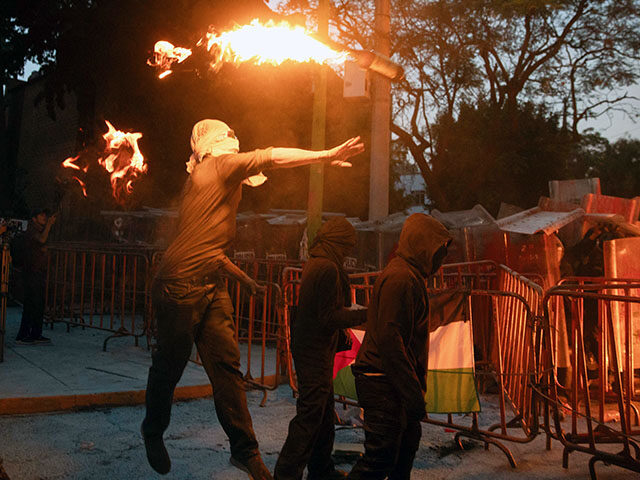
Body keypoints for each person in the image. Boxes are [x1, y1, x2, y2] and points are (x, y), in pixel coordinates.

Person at [141, 119, 364, 478]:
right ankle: (152, 431)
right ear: (220, 149)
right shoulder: (216, 167)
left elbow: (209, 250)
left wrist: (244, 279)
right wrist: (325, 155)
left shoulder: (212, 185)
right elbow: (270, 157)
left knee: (228, 370)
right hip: (178, 287)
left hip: (212, 286)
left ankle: (244, 451)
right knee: (169, 367)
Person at [347, 213, 451, 480]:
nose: (440, 259)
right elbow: (390, 341)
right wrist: (411, 392)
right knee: (379, 461)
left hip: (390, 381)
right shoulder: (401, 278)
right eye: (437, 250)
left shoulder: (408, 275)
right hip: (382, 381)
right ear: (422, 245)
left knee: (402, 454)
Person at [275, 217, 367, 480]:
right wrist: (362, 315)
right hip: (314, 351)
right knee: (311, 415)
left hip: (311, 348)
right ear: (337, 241)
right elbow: (328, 317)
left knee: (324, 415)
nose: (350, 249)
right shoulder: (327, 268)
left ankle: (321, 470)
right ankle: (286, 473)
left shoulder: (318, 262)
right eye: (348, 244)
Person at [15, 208, 56, 345]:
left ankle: (36, 334)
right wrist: (49, 224)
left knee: (39, 304)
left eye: (45, 214)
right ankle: (23, 336)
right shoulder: (32, 230)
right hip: (31, 272)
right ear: (34, 218)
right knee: (30, 304)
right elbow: (42, 240)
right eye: (41, 215)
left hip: (38, 272)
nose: (44, 217)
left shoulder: (37, 229)